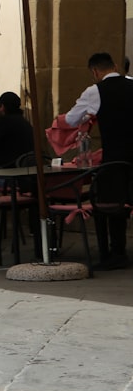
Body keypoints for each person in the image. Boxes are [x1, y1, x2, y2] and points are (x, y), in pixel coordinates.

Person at [65, 52, 133, 269]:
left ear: (94, 72)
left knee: (110, 205)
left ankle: (116, 253)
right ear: (115, 66)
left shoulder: (94, 91)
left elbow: (71, 119)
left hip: (114, 157)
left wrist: (88, 115)